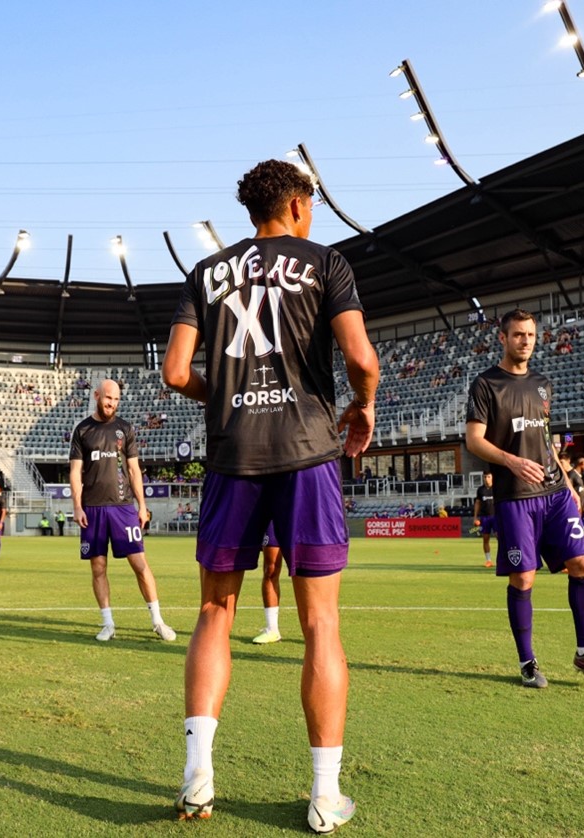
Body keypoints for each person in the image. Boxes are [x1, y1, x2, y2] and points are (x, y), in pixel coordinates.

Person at [162, 159, 378, 831]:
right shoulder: (325, 262)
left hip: (233, 457)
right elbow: (362, 359)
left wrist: (220, 396)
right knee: (321, 625)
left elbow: (174, 372)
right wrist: (363, 406)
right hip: (307, 452)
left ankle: (198, 777)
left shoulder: (207, 272)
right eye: (309, 202)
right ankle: (324, 795)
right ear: (296, 203)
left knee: (213, 613)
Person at [465, 308, 584, 693]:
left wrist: (567, 481)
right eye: (518, 335)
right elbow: (473, 439)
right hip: (515, 496)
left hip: (554, 492)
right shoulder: (486, 384)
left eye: (531, 335)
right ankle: (527, 661)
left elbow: (547, 439)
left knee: (583, 563)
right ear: (503, 338)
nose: (526, 341)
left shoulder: (543, 384)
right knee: (524, 576)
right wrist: (510, 460)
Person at [69, 379, 177, 643]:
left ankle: (157, 621)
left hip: (123, 508)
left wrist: (142, 506)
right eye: (108, 398)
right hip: (93, 510)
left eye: (116, 400)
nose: (112, 404)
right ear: (96, 395)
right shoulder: (82, 430)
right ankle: (108, 624)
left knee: (140, 565)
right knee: (98, 567)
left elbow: (133, 470)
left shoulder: (125, 429)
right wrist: (77, 506)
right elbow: (75, 472)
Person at [250, 526, 285, 644]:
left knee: (306, 572)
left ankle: (316, 632)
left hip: (300, 513)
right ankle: (272, 629)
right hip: (273, 515)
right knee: (271, 569)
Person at [472, 473, 496, 568]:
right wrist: (475, 517)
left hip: (496, 516)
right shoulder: (480, 490)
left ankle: (502, 559)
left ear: (492, 477)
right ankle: (488, 560)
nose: (486, 479)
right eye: (485, 477)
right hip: (484, 517)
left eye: (488, 476)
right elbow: (477, 503)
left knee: (499, 538)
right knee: (485, 539)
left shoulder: (497, 488)